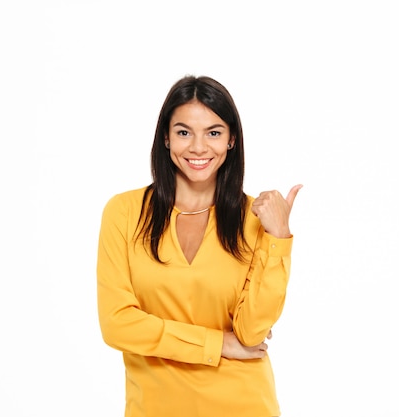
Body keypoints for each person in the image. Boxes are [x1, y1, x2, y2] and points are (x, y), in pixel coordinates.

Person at [96, 75, 302, 417]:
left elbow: (251, 333)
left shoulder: (253, 219)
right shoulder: (124, 213)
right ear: (166, 136)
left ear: (231, 139)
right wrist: (217, 344)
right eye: (183, 132)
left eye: (214, 132)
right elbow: (117, 324)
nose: (198, 147)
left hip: (243, 405)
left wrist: (278, 239)